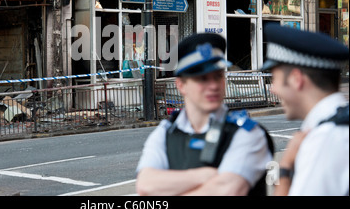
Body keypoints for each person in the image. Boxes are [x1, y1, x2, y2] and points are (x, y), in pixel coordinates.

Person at [135, 33, 273, 196]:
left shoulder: (248, 133)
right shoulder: (166, 132)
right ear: (181, 85)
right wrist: (205, 175)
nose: (213, 85)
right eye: (202, 79)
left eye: (218, 76)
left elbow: (226, 191)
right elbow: (145, 185)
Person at [262, 24, 349, 196]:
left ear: (296, 79)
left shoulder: (323, 141)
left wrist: (285, 167)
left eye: (275, 79)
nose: (273, 89)